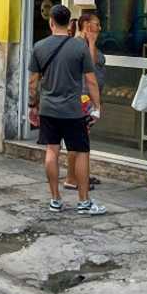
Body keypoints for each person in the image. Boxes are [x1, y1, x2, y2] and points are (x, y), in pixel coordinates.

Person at [28, 4, 106, 215]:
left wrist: (32, 105)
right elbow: (90, 80)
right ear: (69, 23)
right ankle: (83, 201)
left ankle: (55, 199)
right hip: (73, 110)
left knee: (52, 151)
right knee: (81, 152)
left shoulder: (39, 47)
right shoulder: (79, 47)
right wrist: (97, 106)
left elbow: (33, 81)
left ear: (51, 22)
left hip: (49, 109)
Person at [65, 10, 103, 192]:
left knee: (83, 140)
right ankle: (72, 178)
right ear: (87, 26)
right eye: (96, 24)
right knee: (78, 140)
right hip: (82, 98)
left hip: (87, 98)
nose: (99, 28)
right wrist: (92, 42)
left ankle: (82, 175)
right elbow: (91, 65)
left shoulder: (85, 44)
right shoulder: (79, 45)